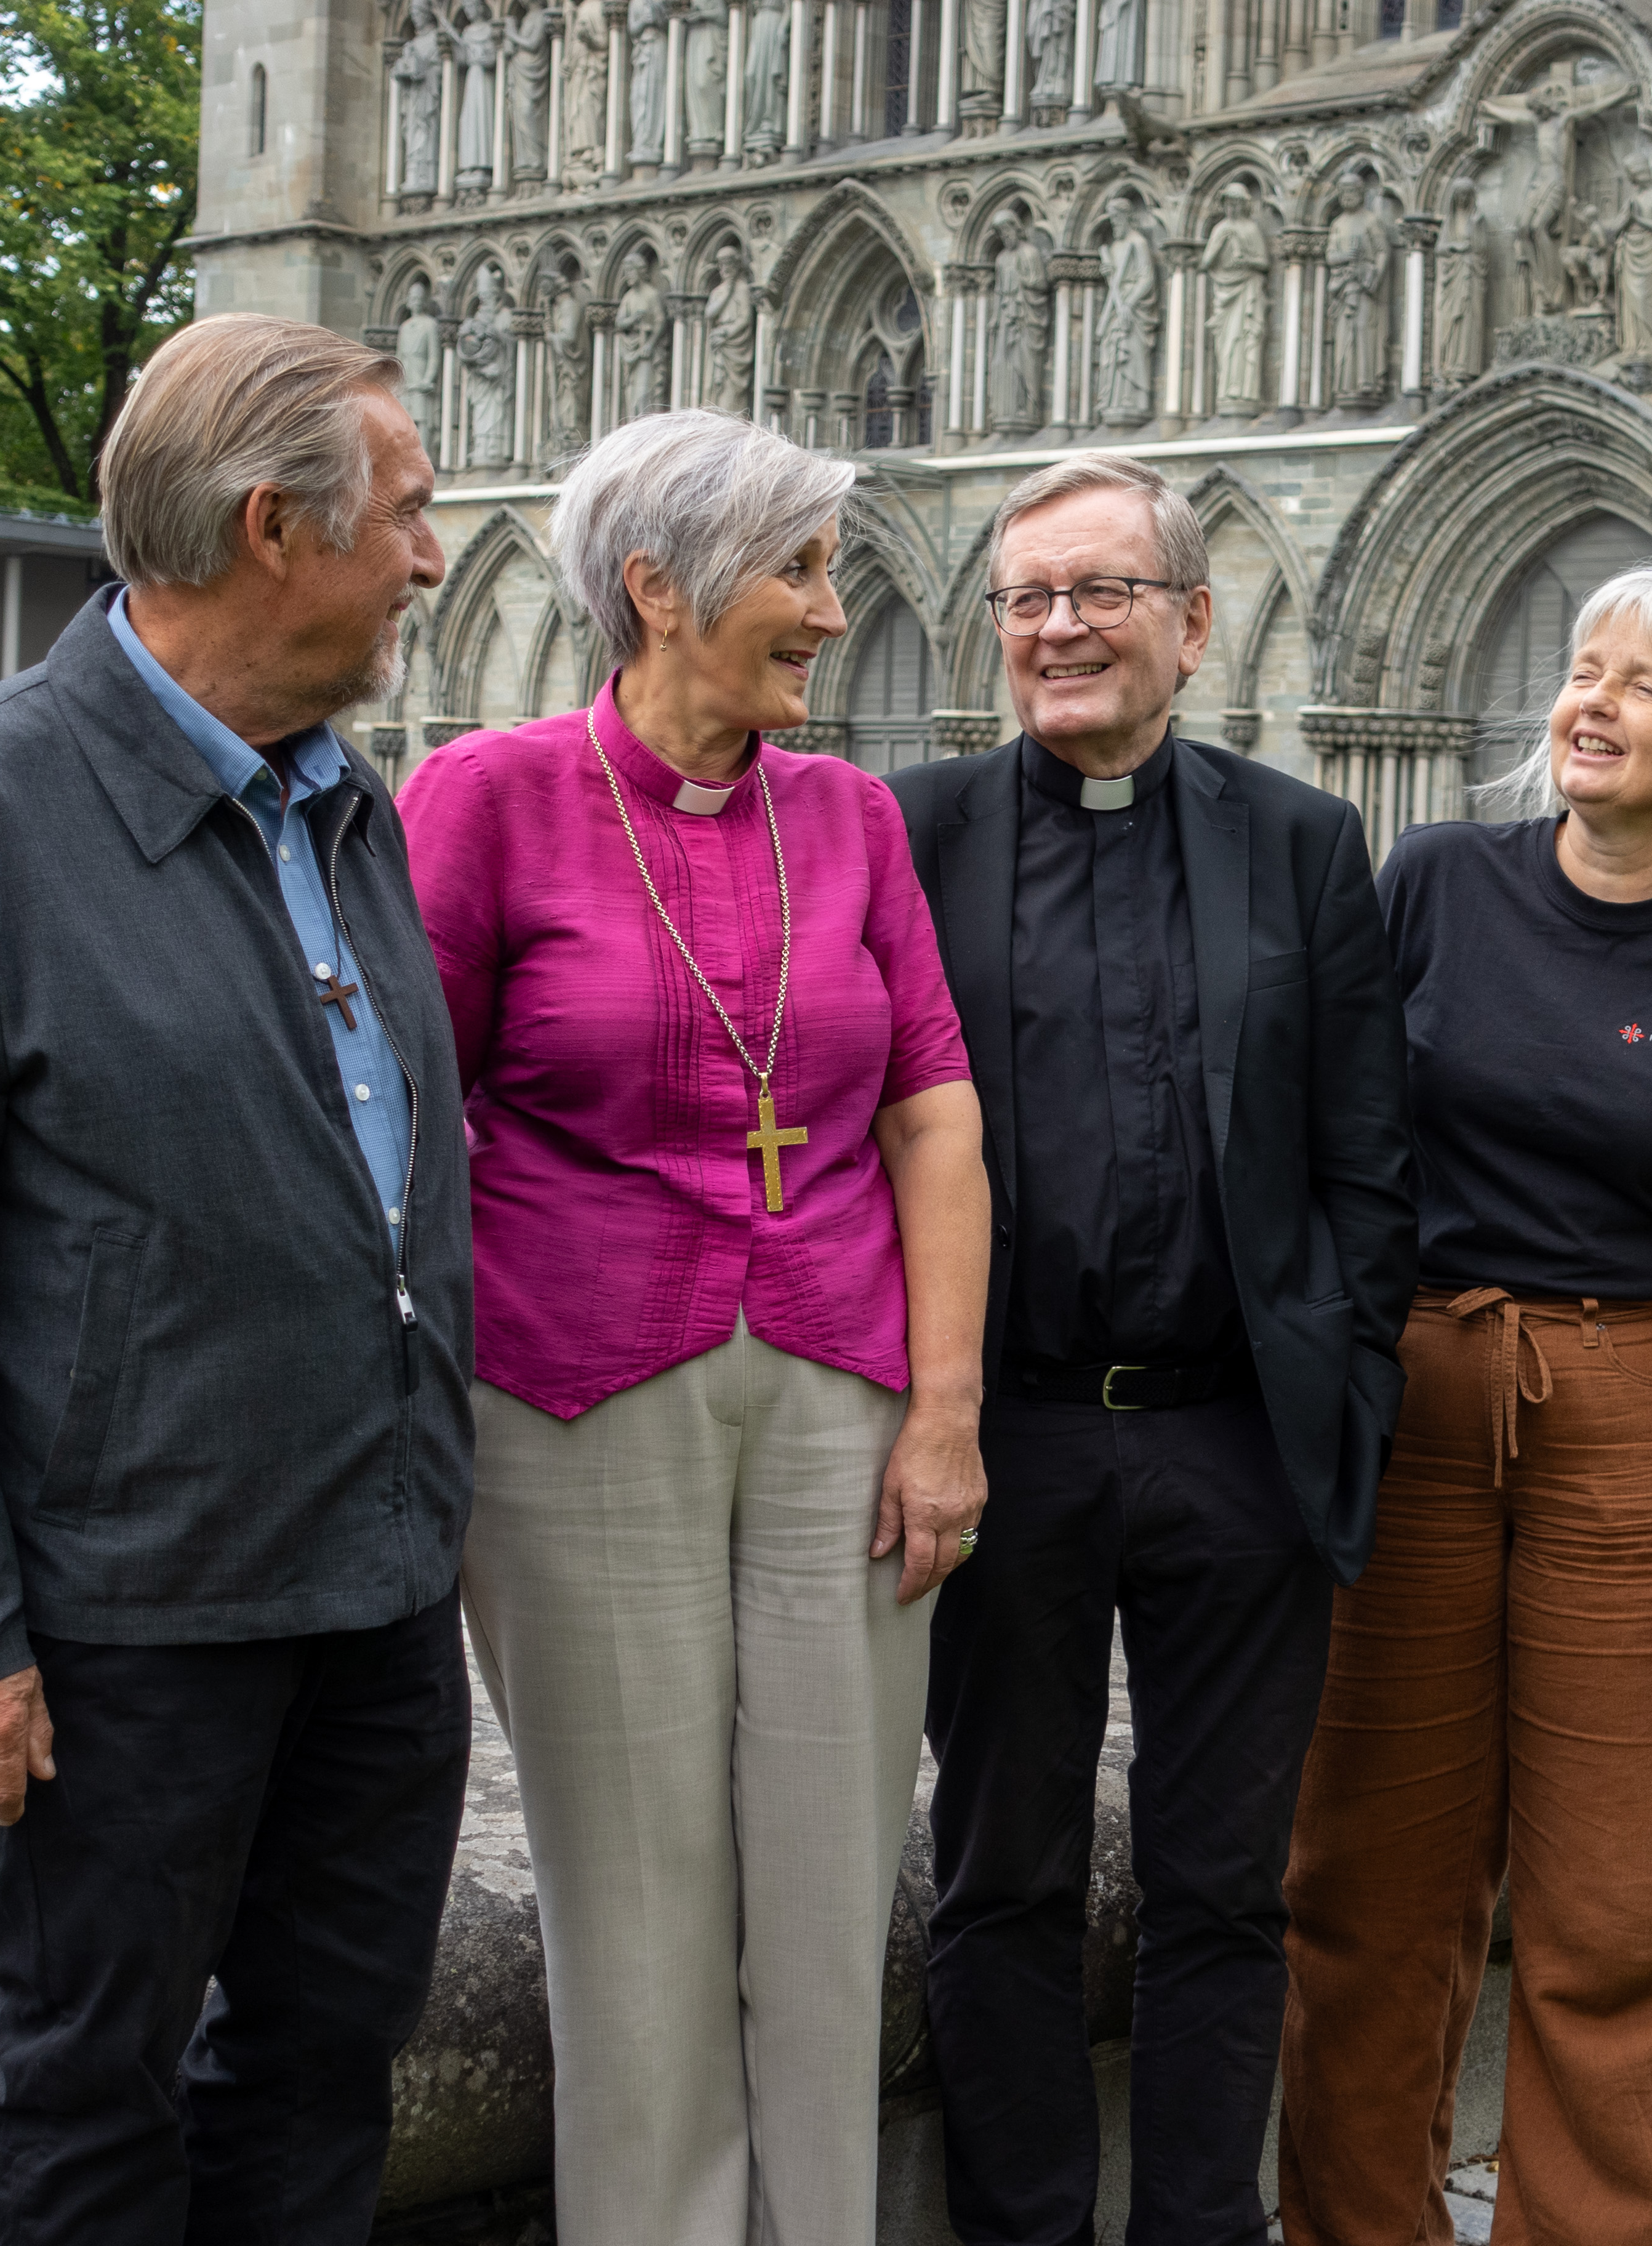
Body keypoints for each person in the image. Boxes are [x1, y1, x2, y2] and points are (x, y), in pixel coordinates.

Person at [0, 314, 473, 2244]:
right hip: (125, 1621)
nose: (431, 553)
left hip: (379, 1592)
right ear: (273, 528)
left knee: (330, 2067)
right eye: (404, 514)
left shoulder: (345, 804)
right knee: (92, 2096)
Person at [396, 409, 990, 2245]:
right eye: (798, 572)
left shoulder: (853, 813)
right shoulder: (485, 798)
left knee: (829, 1889)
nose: (833, 609)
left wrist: (946, 1411)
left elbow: (932, 1109)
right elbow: (404, 1121)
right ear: (654, 589)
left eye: (829, 570)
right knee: (634, 1903)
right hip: (575, 1400)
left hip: (844, 1388)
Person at [1281, 566, 1652, 2246]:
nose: (1589, 703)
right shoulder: (1434, 885)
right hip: (1418, 1412)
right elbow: (1333, 1146)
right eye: (1581, 671)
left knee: (1636, 1905)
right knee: (1366, 1889)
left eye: (1645, 687)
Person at [891, 453, 1416, 2246]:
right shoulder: (914, 833)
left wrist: (1327, 1399)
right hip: (1003, 1438)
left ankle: (1205, 2226)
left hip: (1232, 1445)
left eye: (1102, 591)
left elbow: (1368, 1157)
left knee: (1222, 1883)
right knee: (999, 1872)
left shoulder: (1302, 840)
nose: (1060, 626)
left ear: (1193, 626)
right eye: (1030, 595)